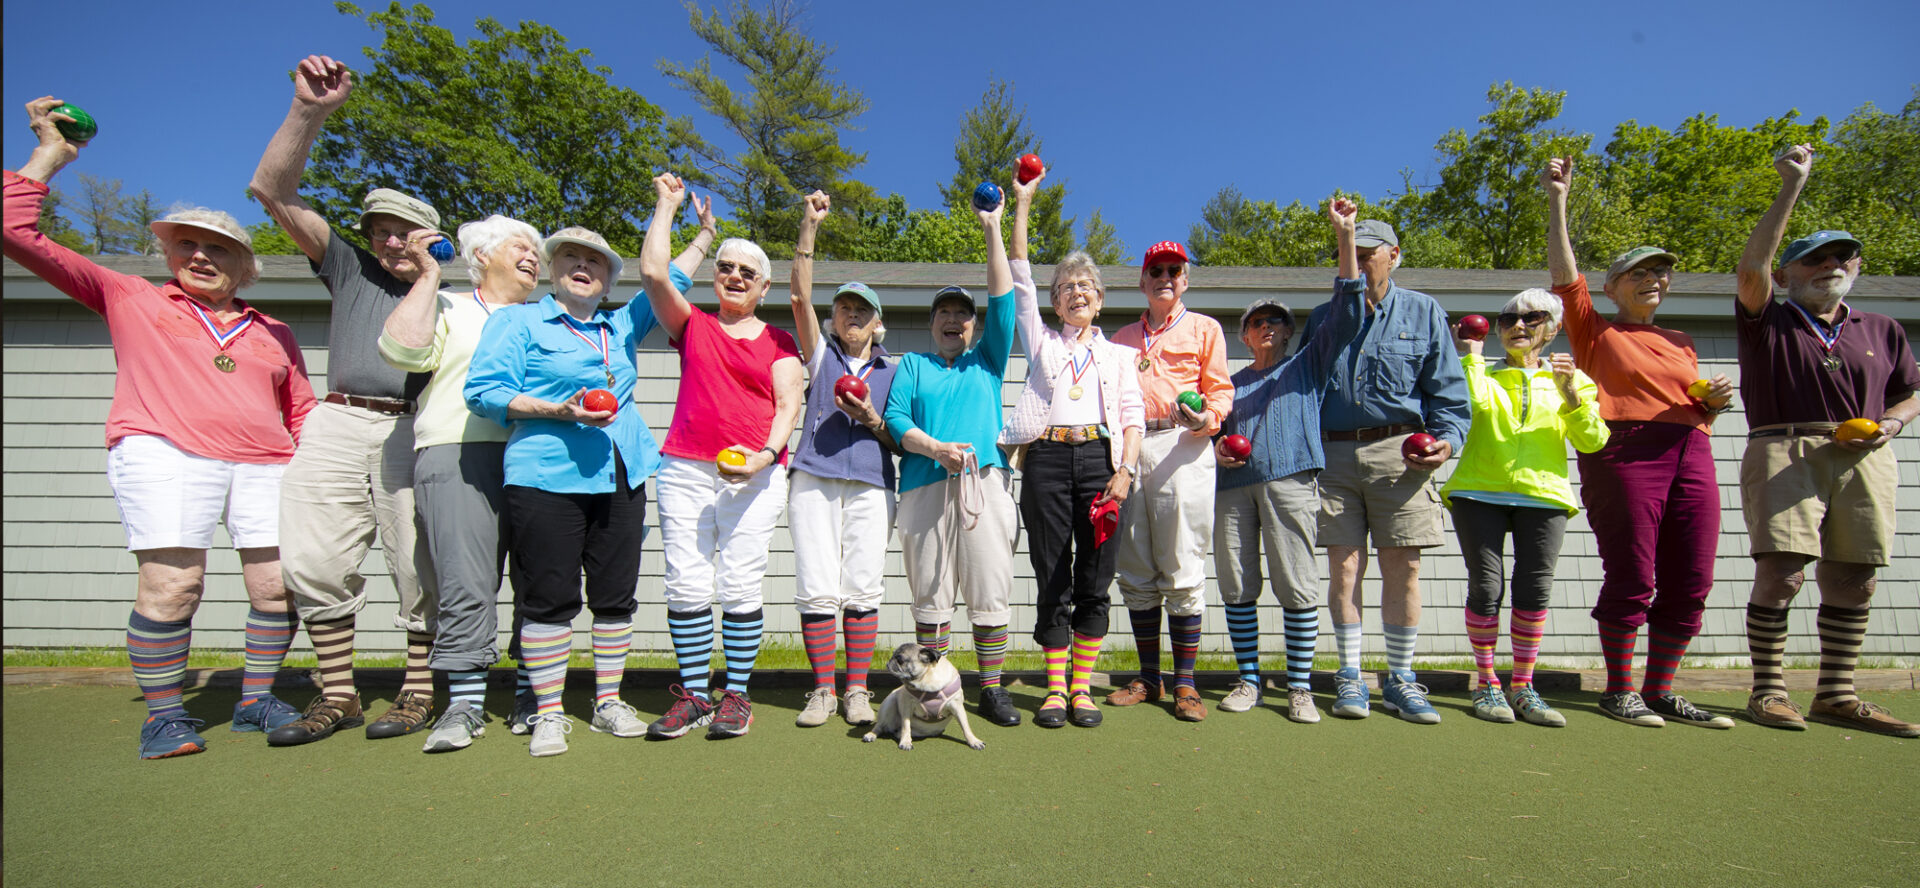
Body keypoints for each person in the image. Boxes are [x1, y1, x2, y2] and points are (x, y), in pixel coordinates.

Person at [5, 97, 315, 759]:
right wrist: (50, 155)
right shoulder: (132, 296)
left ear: (245, 264)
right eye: (188, 245)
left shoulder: (273, 331)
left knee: (276, 585)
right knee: (175, 583)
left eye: (218, 248)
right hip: (166, 449)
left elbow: (301, 412)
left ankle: (255, 699)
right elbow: (14, 232)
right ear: (169, 251)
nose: (201, 256)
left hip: (267, 462)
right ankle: (165, 716)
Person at [250, 54, 439, 744]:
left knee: (420, 561)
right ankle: (338, 694)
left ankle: (417, 690)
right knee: (312, 560)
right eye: (380, 227)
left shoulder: (445, 297)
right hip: (338, 418)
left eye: (406, 230)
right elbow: (272, 190)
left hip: (410, 430)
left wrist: (430, 272)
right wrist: (310, 110)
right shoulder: (348, 266)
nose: (389, 239)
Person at [465, 228, 680, 756]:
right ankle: (548, 712)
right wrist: (559, 410)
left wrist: (676, 216)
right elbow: (484, 391)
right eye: (571, 258)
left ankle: (607, 702)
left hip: (621, 473)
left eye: (596, 262)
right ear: (552, 268)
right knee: (549, 599)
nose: (584, 267)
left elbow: (667, 276)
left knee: (614, 599)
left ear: (609, 278)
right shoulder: (518, 321)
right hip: (545, 476)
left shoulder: (621, 323)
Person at [1734, 145, 1920, 738]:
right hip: (1785, 448)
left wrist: (1893, 423)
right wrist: (1791, 185)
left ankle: (1837, 694)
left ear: (1857, 268)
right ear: (1789, 274)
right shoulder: (1769, 317)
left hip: (1867, 454)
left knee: (1854, 576)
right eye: (1814, 259)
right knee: (1783, 572)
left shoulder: (1883, 329)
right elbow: (1752, 266)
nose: (1830, 265)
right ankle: (1767, 691)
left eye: (1842, 258)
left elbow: (1910, 393)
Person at [1543, 156, 1735, 728]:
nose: (1653, 280)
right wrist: (1559, 197)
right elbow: (1564, 275)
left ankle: (1660, 691)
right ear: (1611, 288)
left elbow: (1701, 411)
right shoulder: (1594, 329)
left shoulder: (1680, 340)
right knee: (1633, 571)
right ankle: (1619, 690)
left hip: (1691, 449)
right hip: (1624, 450)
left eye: (1660, 273)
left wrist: (1716, 402)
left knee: (1693, 574)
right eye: (1639, 274)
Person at [639, 174, 805, 740]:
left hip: (755, 475)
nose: (735, 277)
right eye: (727, 268)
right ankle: (693, 695)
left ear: (763, 289)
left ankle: (736, 696)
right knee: (686, 583)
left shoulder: (780, 342)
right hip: (684, 466)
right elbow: (653, 273)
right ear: (715, 277)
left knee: (739, 584)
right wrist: (671, 209)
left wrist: (761, 459)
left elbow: (787, 408)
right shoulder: (693, 325)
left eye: (748, 273)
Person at [372, 214, 544, 750]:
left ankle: (532, 694)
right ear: (482, 256)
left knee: (540, 583)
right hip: (458, 450)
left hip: (538, 456)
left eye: (538, 251)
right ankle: (465, 701)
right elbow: (401, 353)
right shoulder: (449, 304)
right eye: (521, 247)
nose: (533, 258)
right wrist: (427, 276)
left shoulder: (547, 318)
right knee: (467, 582)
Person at [1300, 219, 1470, 725]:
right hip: (1333, 457)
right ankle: (1349, 674)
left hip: (1401, 452)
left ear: (1394, 256)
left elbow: (1449, 395)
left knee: (1403, 565)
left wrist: (1446, 443)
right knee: (1345, 567)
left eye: (1371, 251)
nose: (1361, 260)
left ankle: (1399, 678)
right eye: (1352, 252)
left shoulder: (1423, 312)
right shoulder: (1324, 317)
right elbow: (1304, 390)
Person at [999, 165, 1144, 729]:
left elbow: (1131, 418)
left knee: (1096, 574)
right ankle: (1055, 691)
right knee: (1052, 571)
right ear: (1055, 304)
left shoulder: (1120, 357)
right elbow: (1019, 277)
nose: (1075, 293)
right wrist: (1023, 204)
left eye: (1085, 286)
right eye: (1065, 288)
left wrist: (1126, 471)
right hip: (1048, 459)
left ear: (1100, 300)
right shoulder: (1042, 341)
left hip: (1103, 464)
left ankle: (1083, 689)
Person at [1211, 197, 1366, 724]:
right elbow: (1212, 430)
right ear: (1245, 334)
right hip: (1232, 491)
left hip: (1291, 481)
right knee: (1236, 584)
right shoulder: (1228, 386)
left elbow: (1348, 311)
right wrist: (1215, 448)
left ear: (1290, 330)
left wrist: (1345, 237)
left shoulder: (1308, 365)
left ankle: (1299, 686)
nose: (1268, 327)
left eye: (1278, 320)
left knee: (1297, 583)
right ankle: (1249, 679)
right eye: (1258, 322)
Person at [882, 188, 1024, 729]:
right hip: (922, 485)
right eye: (945, 311)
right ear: (932, 321)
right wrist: (935, 448)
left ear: (973, 326)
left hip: (982, 487)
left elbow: (1003, 295)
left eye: (964, 314)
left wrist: (993, 227)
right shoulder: (913, 366)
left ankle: (990, 690)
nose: (954, 320)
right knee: (932, 596)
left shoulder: (987, 362)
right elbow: (896, 420)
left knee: (989, 591)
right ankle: (924, 691)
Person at [1440, 290, 1608, 727]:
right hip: (1479, 491)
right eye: (1508, 318)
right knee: (1487, 586)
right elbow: (1472, 408)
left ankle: (1523, 686)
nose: (1518, 326)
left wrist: (1570, 394)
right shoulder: (1482, 373)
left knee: (1534, 590)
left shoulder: (1573, 379)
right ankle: (1487, 682)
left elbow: (1593, 441)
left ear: (1552, 330)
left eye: (1532, 318)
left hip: (1544, 495)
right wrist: (1472, 356)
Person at [1106, 241, 1234, 722]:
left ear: (1185, 279)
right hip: (1130, 448)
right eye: (1155, 269)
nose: (1165, 276)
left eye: (1174, 270)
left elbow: (1219, 390)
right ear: (1142, 281)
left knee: (1182, 565)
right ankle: (1148, 677)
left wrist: (1209, 420)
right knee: (1135, 566)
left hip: (1184, 444)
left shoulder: (1205, 328)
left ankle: (1185, 683)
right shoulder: (1120, 338)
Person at [786, 191, 899, 728]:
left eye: (862, 310)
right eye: (844, 308)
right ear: (832, 319)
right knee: (816, 583)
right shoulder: (818, 355)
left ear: (877, 324)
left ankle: (857, 690)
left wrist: (875, 418)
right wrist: (810, 227)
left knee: (862, 583)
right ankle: (823, 691)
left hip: (874, 485)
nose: (851, 315)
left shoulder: (894, 371)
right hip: (813, 477)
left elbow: (900, 436)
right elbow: (798, 295)